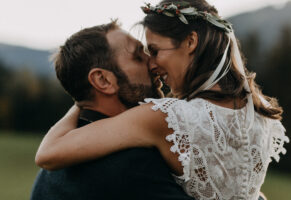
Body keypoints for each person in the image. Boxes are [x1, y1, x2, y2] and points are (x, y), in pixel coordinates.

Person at [35, 0, 289, 199]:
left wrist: (79, 102)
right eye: (142, 55)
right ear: (102, 81)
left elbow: (48, 153)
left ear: (191, 42)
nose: (151, 63)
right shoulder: (258, 112)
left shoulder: (167, 119)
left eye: (154, 51)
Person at [30, 21, 195, 200]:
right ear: (103, 80)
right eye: (138, 57)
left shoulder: (49, 173)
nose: (154, 63)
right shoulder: (133, 166)